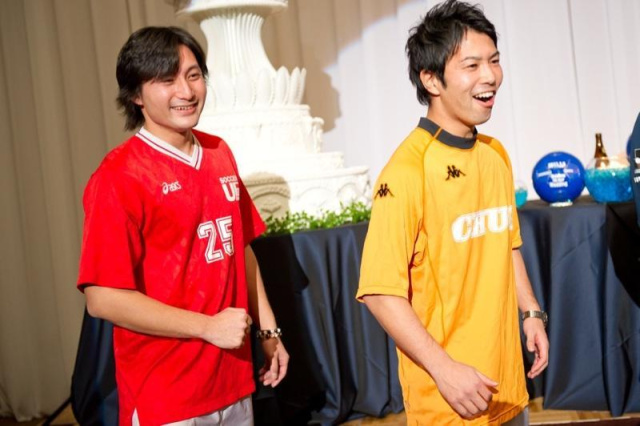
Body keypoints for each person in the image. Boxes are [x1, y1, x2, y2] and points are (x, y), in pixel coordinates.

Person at [77, 26, 288, 426]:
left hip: (233, 380)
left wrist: (269, 331)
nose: (186, 91)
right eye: (166, 79)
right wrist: (208, 327)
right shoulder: (119, 177)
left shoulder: (219, 152)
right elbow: (102, 299)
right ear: (136, 95)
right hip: (166, 394)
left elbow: (240, 247)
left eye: (193, 75)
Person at [356, 1, 549, 424]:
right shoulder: (406, 171)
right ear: (431, 79)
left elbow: (507, 243)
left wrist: (531, 312)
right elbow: (379, 293)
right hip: (449, 401)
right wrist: (444, 370)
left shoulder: (495, 155)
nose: (490, 76)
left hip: (506, 389)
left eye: (494, 61)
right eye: (471, 65)